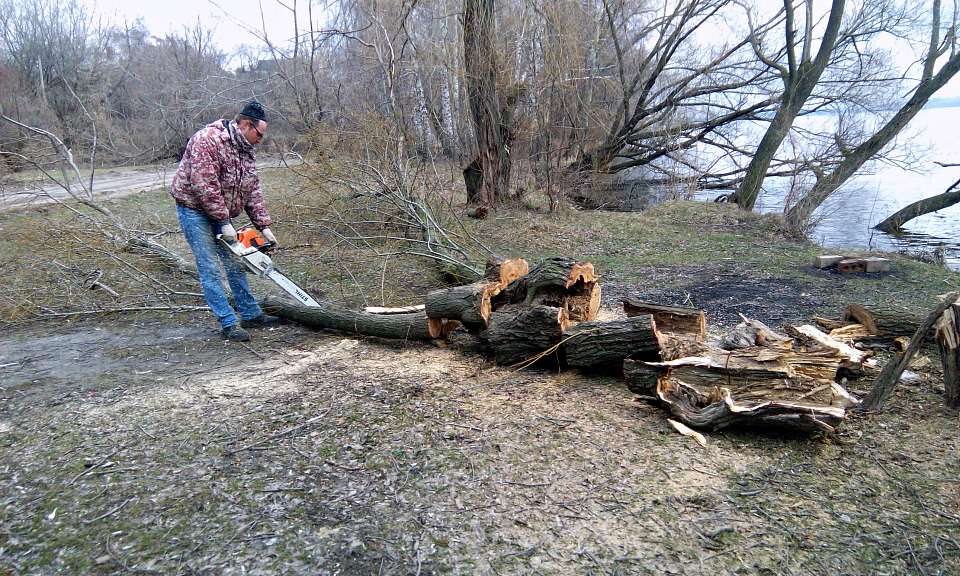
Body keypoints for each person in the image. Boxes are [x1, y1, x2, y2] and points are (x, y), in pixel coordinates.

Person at [170, 100, 281, 342]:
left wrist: (264, 226)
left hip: (222, 212)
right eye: (259, 134)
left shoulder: (246, 150)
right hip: (194, 210)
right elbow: (205, 186)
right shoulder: (208, 139)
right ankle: (228, 322)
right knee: (209, 267)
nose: (260, 139)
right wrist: (224, 221)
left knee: (235, 262)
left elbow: (252, 189)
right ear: (245, 125)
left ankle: (250, 314)